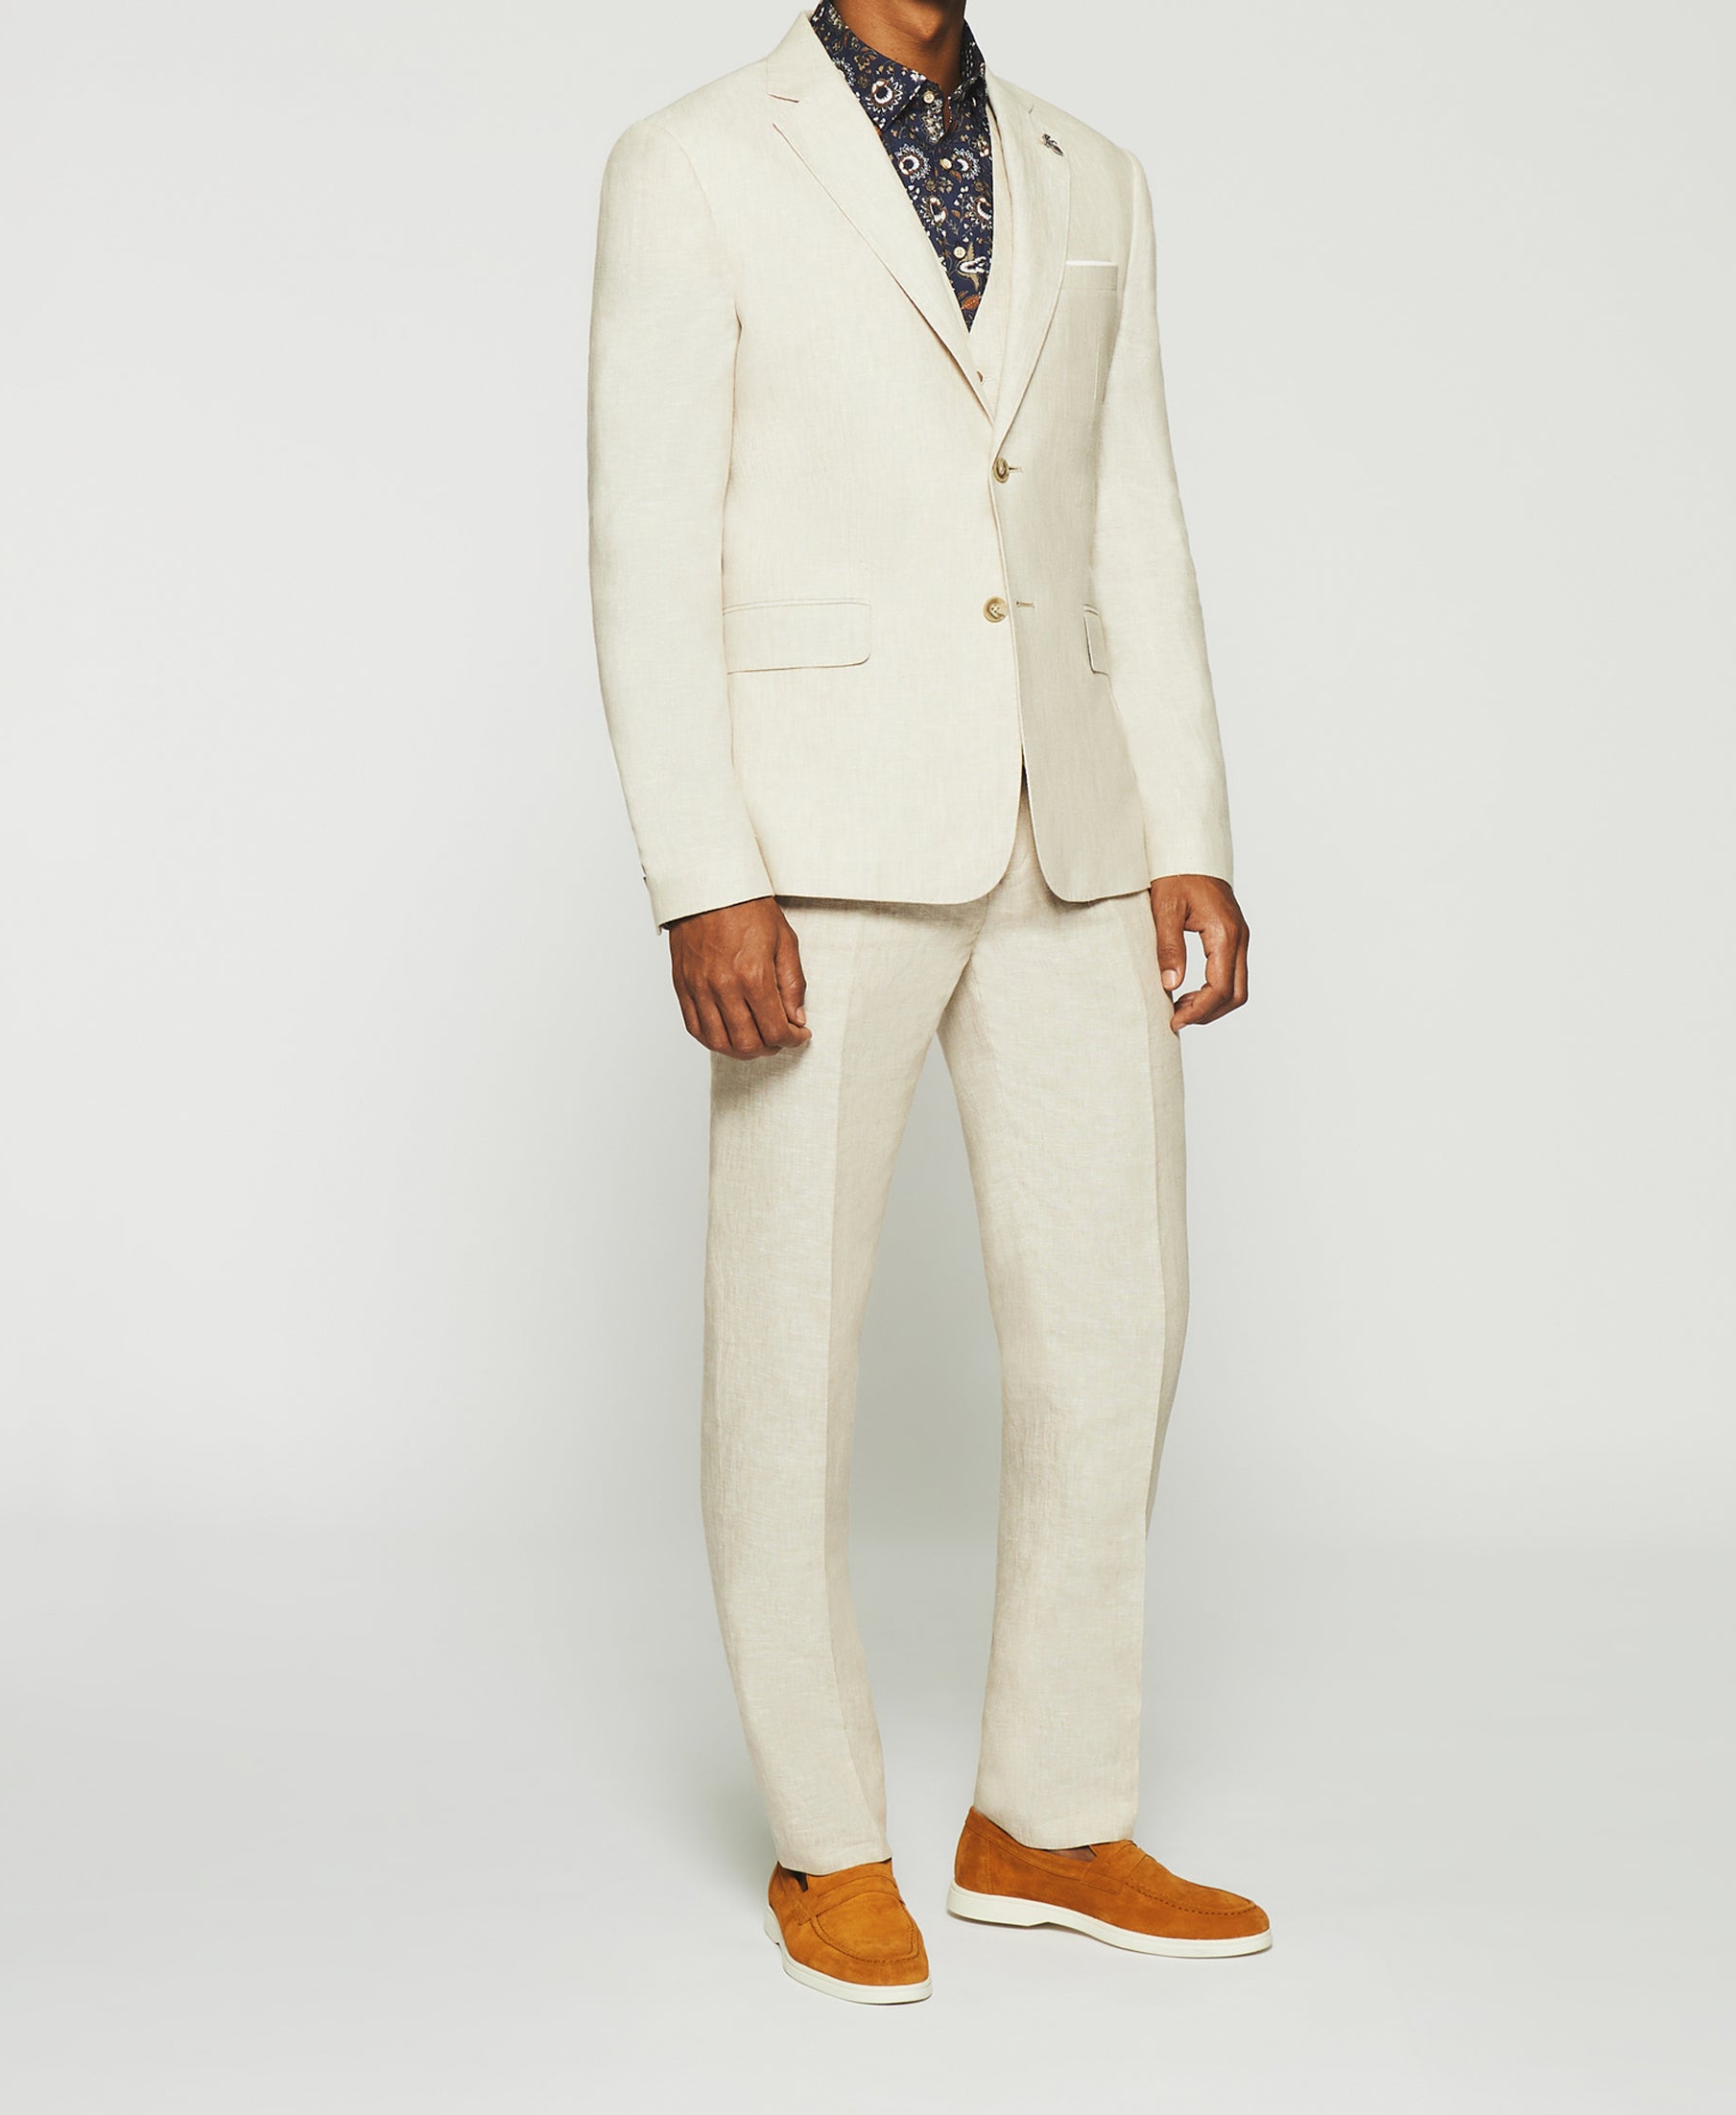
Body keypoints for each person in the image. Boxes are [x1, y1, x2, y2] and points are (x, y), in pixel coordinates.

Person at [587, 0, 1268, 2004]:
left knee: (1115, 1330)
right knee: (787, 1351)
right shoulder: (692, 161)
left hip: (1075, 824)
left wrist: (1190, 827)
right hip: (817, 842)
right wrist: (704, 871)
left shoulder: (1093, 172)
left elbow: (1130, 515)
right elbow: (645, 539)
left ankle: (1050, 1816)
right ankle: (829, 1835)